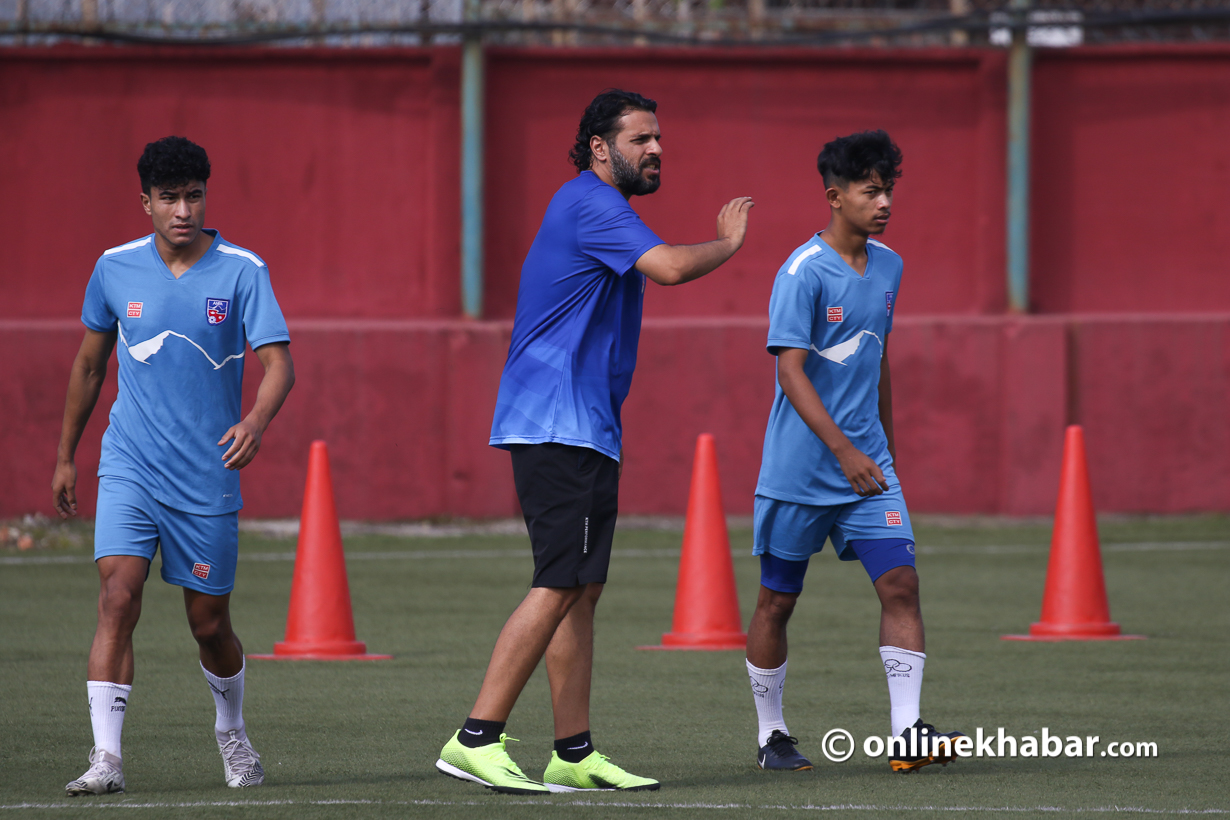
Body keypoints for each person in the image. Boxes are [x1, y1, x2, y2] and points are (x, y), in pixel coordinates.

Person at [435, 89, 754, 795]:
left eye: (659, 138)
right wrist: (730, 244)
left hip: (585, 427)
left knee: (581, 591)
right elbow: (669, 268)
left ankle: (572, 754)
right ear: (601, 148)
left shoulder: (607, 211)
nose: (656, 150)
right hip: (557, 424)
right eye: (641, 139)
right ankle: (475, 738)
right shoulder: (592, 204)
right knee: (556, 584)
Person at [51, 136, 295, 796]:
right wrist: (67, 456)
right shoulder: (113, 268)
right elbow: (89, 365)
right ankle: (107, 759)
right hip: (129, 462)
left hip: (205, 474)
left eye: (193, 196)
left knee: (208, 623)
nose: (182, 210)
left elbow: (279, 365)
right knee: (117, 596)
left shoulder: (243, 270)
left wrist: (253, 421)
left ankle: (231, 729)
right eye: (169, 198)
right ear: (146, 204)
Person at [744, 130, 963, 774]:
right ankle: (772, 733)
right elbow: (790, 373)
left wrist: (884, 450)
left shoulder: (890, 264)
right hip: (802, 471)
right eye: (871, 190)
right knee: (777, 601)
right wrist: (842, 451)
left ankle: (908, 735)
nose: (885, 200)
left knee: (901, 583)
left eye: (889, 187)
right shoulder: (802, 273)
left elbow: (878, 358)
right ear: (835, 197)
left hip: (868, 466)